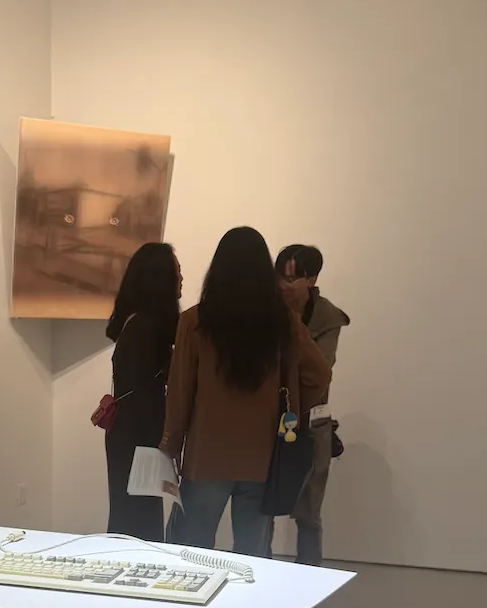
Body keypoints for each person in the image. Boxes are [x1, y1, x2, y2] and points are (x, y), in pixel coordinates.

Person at [160, 227, 331, 556]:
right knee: (253, 556)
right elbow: (319, 374)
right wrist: (291, 407)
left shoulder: (194, 322)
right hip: (262, 456)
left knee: (192, 552)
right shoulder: (282, 322)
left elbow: (179, 393)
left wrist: (170, 446)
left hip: (206, 457)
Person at [274, 244, 350, 564]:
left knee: (309, 516)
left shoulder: (327, 317)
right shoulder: (267, 309)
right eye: (280, 277)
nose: (284, 285)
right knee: (259, 511)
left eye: (292, 278)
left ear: (312, 279)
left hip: (311, 423)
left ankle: (308, 595)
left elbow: (321, 371)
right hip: (268, 420)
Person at [104, 242, 182, 541]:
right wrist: (165, 441)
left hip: (132, 436)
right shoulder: (145, 329)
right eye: (177, 272)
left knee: (136, 515)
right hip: (138, 439)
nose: (181, 279)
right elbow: (143, 395)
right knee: (136, 520)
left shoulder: (140, 324)